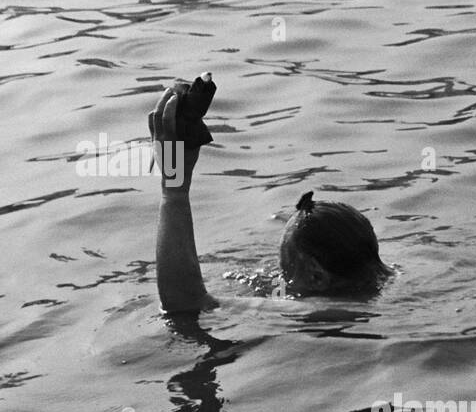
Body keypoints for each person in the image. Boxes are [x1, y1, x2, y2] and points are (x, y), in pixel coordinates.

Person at [149, 73, 389, 315]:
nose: (280, 280)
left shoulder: (323, 311)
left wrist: (174, 190)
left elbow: (184, 303)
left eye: (286, 273)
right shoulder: (383, 291)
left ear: (316, 277)